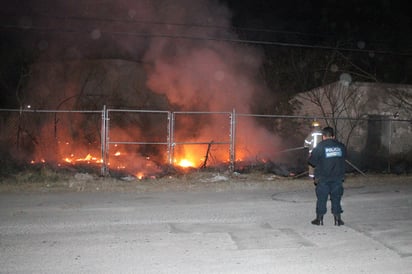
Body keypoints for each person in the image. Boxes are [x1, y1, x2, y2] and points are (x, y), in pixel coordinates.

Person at [308, 126, 347, 226]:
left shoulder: (320, 146)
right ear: (333, 136)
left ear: (323, 136)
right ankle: (338, 220)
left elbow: (312, 162)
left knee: (322, 198)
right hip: (338, 177)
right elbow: (344, 159)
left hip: (323, 178)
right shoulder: (341, 146)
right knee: (336, 197)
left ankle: (319, 220)